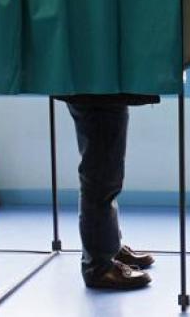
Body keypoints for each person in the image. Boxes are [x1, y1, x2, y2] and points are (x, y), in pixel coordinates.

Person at [60, 94, 158, 290]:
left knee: (105, 174)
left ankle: (107, 248)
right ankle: (99, 268)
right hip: (98, 91)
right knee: (101, 177)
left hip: (101, 89)